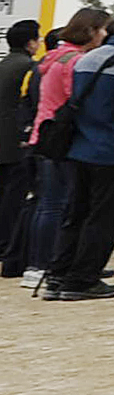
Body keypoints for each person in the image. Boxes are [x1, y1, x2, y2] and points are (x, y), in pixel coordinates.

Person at [59, 5, 114, 296]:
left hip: (81, 147)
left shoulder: (88, 59)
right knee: (104, 218)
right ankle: (83, 279)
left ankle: (59, 275)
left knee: (77, 214)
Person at [22, 11, 105, 291]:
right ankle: (55, 264)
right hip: (67, 139)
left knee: (48, 204)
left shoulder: (53, 58)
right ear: (91, 31)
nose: (105, 36)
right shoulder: (76, 62)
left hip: (45, 135)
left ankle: (38, 264)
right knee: (67, 206)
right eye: (102, 30)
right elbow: (79, 100)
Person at [0, 18, 40, 274]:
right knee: (14, 199)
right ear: (30, 43)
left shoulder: (4, 63)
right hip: (16, 142)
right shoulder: (29, 67)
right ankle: (8, 246)